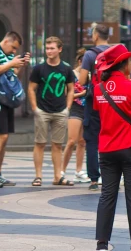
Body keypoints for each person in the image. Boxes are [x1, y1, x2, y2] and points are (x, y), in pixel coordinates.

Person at [93, 44, 131, 251]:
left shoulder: (99, 88)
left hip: (107, 148)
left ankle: (102, 243)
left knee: (107, 194)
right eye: (130, 61)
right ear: (123, 64)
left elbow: (102, 111)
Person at [0, 31, 29, 188]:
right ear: (8, 41)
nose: (14, 51)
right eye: (14, 47)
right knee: (0, 136)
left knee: (5, 137)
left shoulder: (9, 55)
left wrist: (20, 65)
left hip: (7, 99)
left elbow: (14, 75)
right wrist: (11, 63)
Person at [28, 37, 75, 186]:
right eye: (47, 48)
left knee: (57, 145)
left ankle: (57, 176)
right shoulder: (39, 68)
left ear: (60, 49)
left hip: (60, 111)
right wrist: (35, 108)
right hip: (43, 110)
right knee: (40, 143)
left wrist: (68, 108)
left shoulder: (66, 68)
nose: (49, 51)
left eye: (52, 48)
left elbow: (71, 89)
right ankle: (38, 176)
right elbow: (31, 88)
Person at [77, 24, 110, 191]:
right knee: (111, 137)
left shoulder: (90, 54)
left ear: (96, 35)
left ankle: (94, 179)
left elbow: (82, 81)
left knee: (91, 140)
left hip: (94, 101)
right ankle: (111, 176)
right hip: (112, 101)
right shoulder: (115, 53)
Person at [62, 48, 89, 183]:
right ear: (80, 61)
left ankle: (79, 171)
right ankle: (61, 170)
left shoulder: (89, 75)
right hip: (74, 108)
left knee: (82, 142)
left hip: (86, 109)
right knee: (71, 140)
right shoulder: (71, 74)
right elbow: (67, 93)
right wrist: (82, 94)